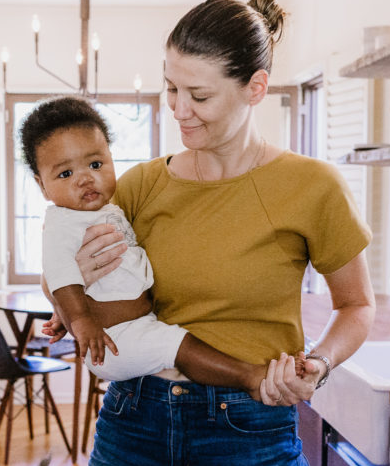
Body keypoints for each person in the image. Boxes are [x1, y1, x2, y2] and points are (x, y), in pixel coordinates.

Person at [52, 0, 376, 466]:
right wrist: (73, 294)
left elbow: (356, 306)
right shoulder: (143, 184)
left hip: (247, 435)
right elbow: (83, 277)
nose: (180, 110)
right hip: (135, 423)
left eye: (199, 96)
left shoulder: (311, 187)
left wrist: (321, 363)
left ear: (256, 87)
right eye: (171, 89)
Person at [21, 95, 284, 391]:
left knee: (179, 347)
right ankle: (249, 377)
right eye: (66, 173)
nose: (85, 179)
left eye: (96, 164)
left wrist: (66, 311)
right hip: (114, 339)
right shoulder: (61, 223)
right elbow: (59, 273)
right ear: (42, 185)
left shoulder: (107, 207)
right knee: (181, 347)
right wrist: (78, 317)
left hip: (137, 325)